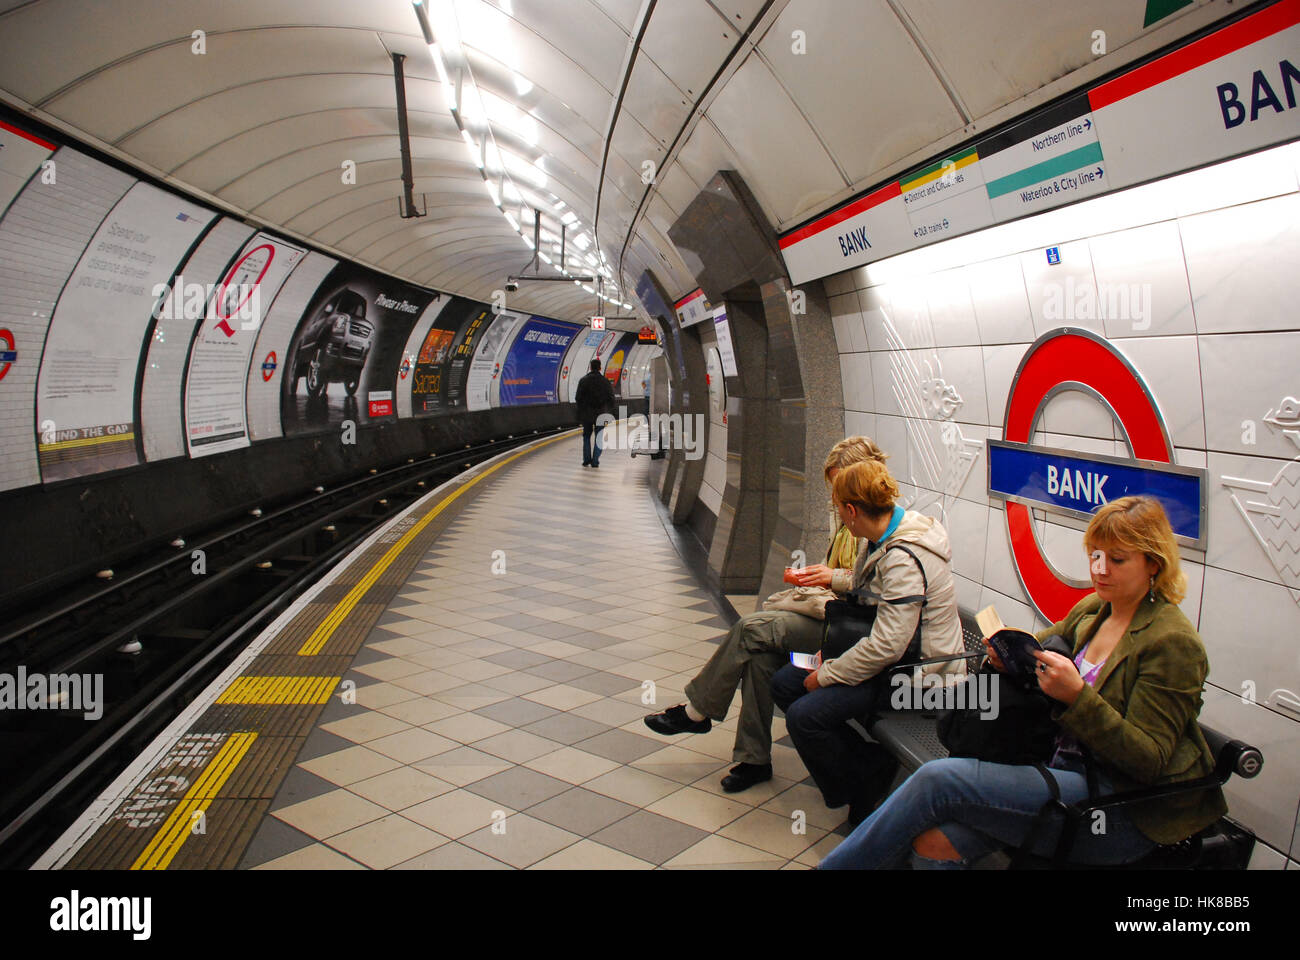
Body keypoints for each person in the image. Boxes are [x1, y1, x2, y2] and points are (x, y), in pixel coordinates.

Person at [819, 495, 1228, 869]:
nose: (1099, 570)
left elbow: (1149, 758)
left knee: (937, 780)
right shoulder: (1097, 607)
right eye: (1096, 555)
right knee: (934, 842)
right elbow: (1044, 648)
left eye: (1117, 560)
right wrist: (1010, 658)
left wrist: (1078, 698)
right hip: (1055, 768)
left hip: (1115, 808)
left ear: (1153, 563)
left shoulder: (1172, 643)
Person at [642, 437, 887, 792]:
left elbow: (870, 586)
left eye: (839, 484)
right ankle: (753, 759)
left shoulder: (873, 516)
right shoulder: (847, 514)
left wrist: (833, 577)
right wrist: (824, 574)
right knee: (759, 659)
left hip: (846, 629)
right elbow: (850, 573)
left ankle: (697, 712)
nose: (835, 495)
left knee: (750, 628)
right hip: (832, 614)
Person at [769, 460, 966, 825]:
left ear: (852, 510)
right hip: (895, 661)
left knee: (804, 716)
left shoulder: (906, 557)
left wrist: (827, 674)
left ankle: (862, 783)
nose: (840, 519)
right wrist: (835, 580)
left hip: (919, 677)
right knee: (785, 682)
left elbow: (887, 646)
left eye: (839, 510)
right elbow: (873, 588)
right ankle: (868, 765)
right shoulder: (886, 534)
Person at [574, 358, 615, 468]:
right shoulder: (605, 381)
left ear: (590, 367)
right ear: (600, 368)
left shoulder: (583, 380)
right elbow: (611, 398)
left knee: (586, 436)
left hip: (586, 414)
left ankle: (586, 460)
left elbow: (577, 398)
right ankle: (595, 461)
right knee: (599, 437)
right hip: (601, 414)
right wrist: (608, 410)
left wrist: (581, 410)